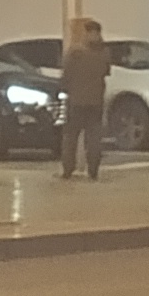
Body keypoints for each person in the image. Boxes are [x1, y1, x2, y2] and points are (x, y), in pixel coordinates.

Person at [59, 17, 108, 179]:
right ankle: (93, 171)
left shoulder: (75, 52)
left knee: (70, 137)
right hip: (96, 101)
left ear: (86, 32)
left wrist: (65, 89)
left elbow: (66, 75)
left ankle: (68, 169)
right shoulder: (104, 52)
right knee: (94, 138)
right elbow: (106, 72)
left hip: (76, 101)